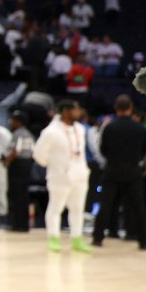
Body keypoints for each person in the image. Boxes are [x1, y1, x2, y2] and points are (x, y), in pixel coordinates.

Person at [92, 95, 146, 250]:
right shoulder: (140, 128)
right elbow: (144, 150)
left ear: (116, 109)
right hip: (133, 170)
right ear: (130, 108)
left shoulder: (109, 127)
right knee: (138, 206)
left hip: (112, 169)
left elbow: (103, 149)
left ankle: (98, 238)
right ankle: (143, 240)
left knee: (105, 204)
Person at [33, 99, 92, 253]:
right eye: (76, 109)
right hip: (60, 176)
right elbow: (38, 153)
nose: (79, 112)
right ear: (66, 111)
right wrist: (52, 165)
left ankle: (77, 238)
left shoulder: (80, 129)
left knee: (78, 209)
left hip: (79, 175)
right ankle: (53, 238)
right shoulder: (51, 132)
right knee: (55, 208)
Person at [6, 110, 36, 232]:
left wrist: (6, 161)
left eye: (13, 120)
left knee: (16, 195)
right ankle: (25, 224)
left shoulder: (17, 133)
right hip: (28, 164)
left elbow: (16, 150)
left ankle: (17, 225)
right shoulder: (29, 134)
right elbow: (34, 150)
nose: (10, 122)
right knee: (24, 195)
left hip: (17, 165)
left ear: (18, 122)